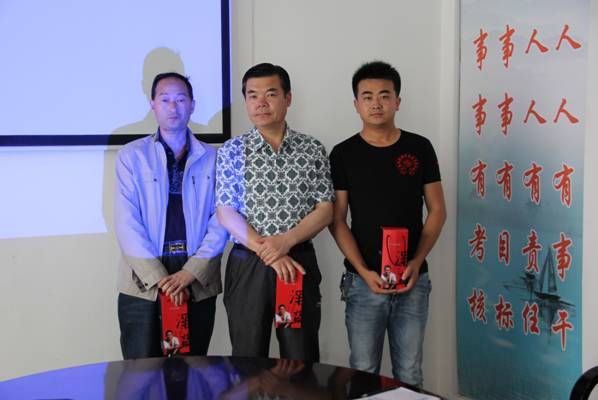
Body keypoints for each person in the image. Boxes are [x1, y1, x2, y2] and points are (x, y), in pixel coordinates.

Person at [329, 61, 446, 387]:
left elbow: (437, 210)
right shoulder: (343, 154)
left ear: (398, 101)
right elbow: (337, 220)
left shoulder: (419, 148)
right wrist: (362, 270)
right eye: (367, 96)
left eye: (385, 95)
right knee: (363, 368)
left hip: (412, 280)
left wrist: (417, 261)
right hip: (362, 281)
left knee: (409, 372)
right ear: (356, 104)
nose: (376, 103)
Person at [215, 63, 334, 363]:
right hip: (248, 264)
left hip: (298, 261)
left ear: (288, 98)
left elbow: (325, 209)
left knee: (301, 358)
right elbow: (226, 211)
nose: (261, 103)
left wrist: (285, 241)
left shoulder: (312, 149)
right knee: (248, 357)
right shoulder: (231, 150)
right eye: (252, 95)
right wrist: (271, 252)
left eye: (270, 93)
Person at [114, 72, 227, 359]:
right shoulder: (131, 156)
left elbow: (221, 220)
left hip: (195, 274)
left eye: (180, 99)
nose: (173, 107)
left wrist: (190, 273)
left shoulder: (214, 157)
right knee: (140, 372)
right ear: (152, 104)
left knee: (192, 370)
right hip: (143, 279)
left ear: (193, 105)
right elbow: (127, 223)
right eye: (165, 99)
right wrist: (160, 279)